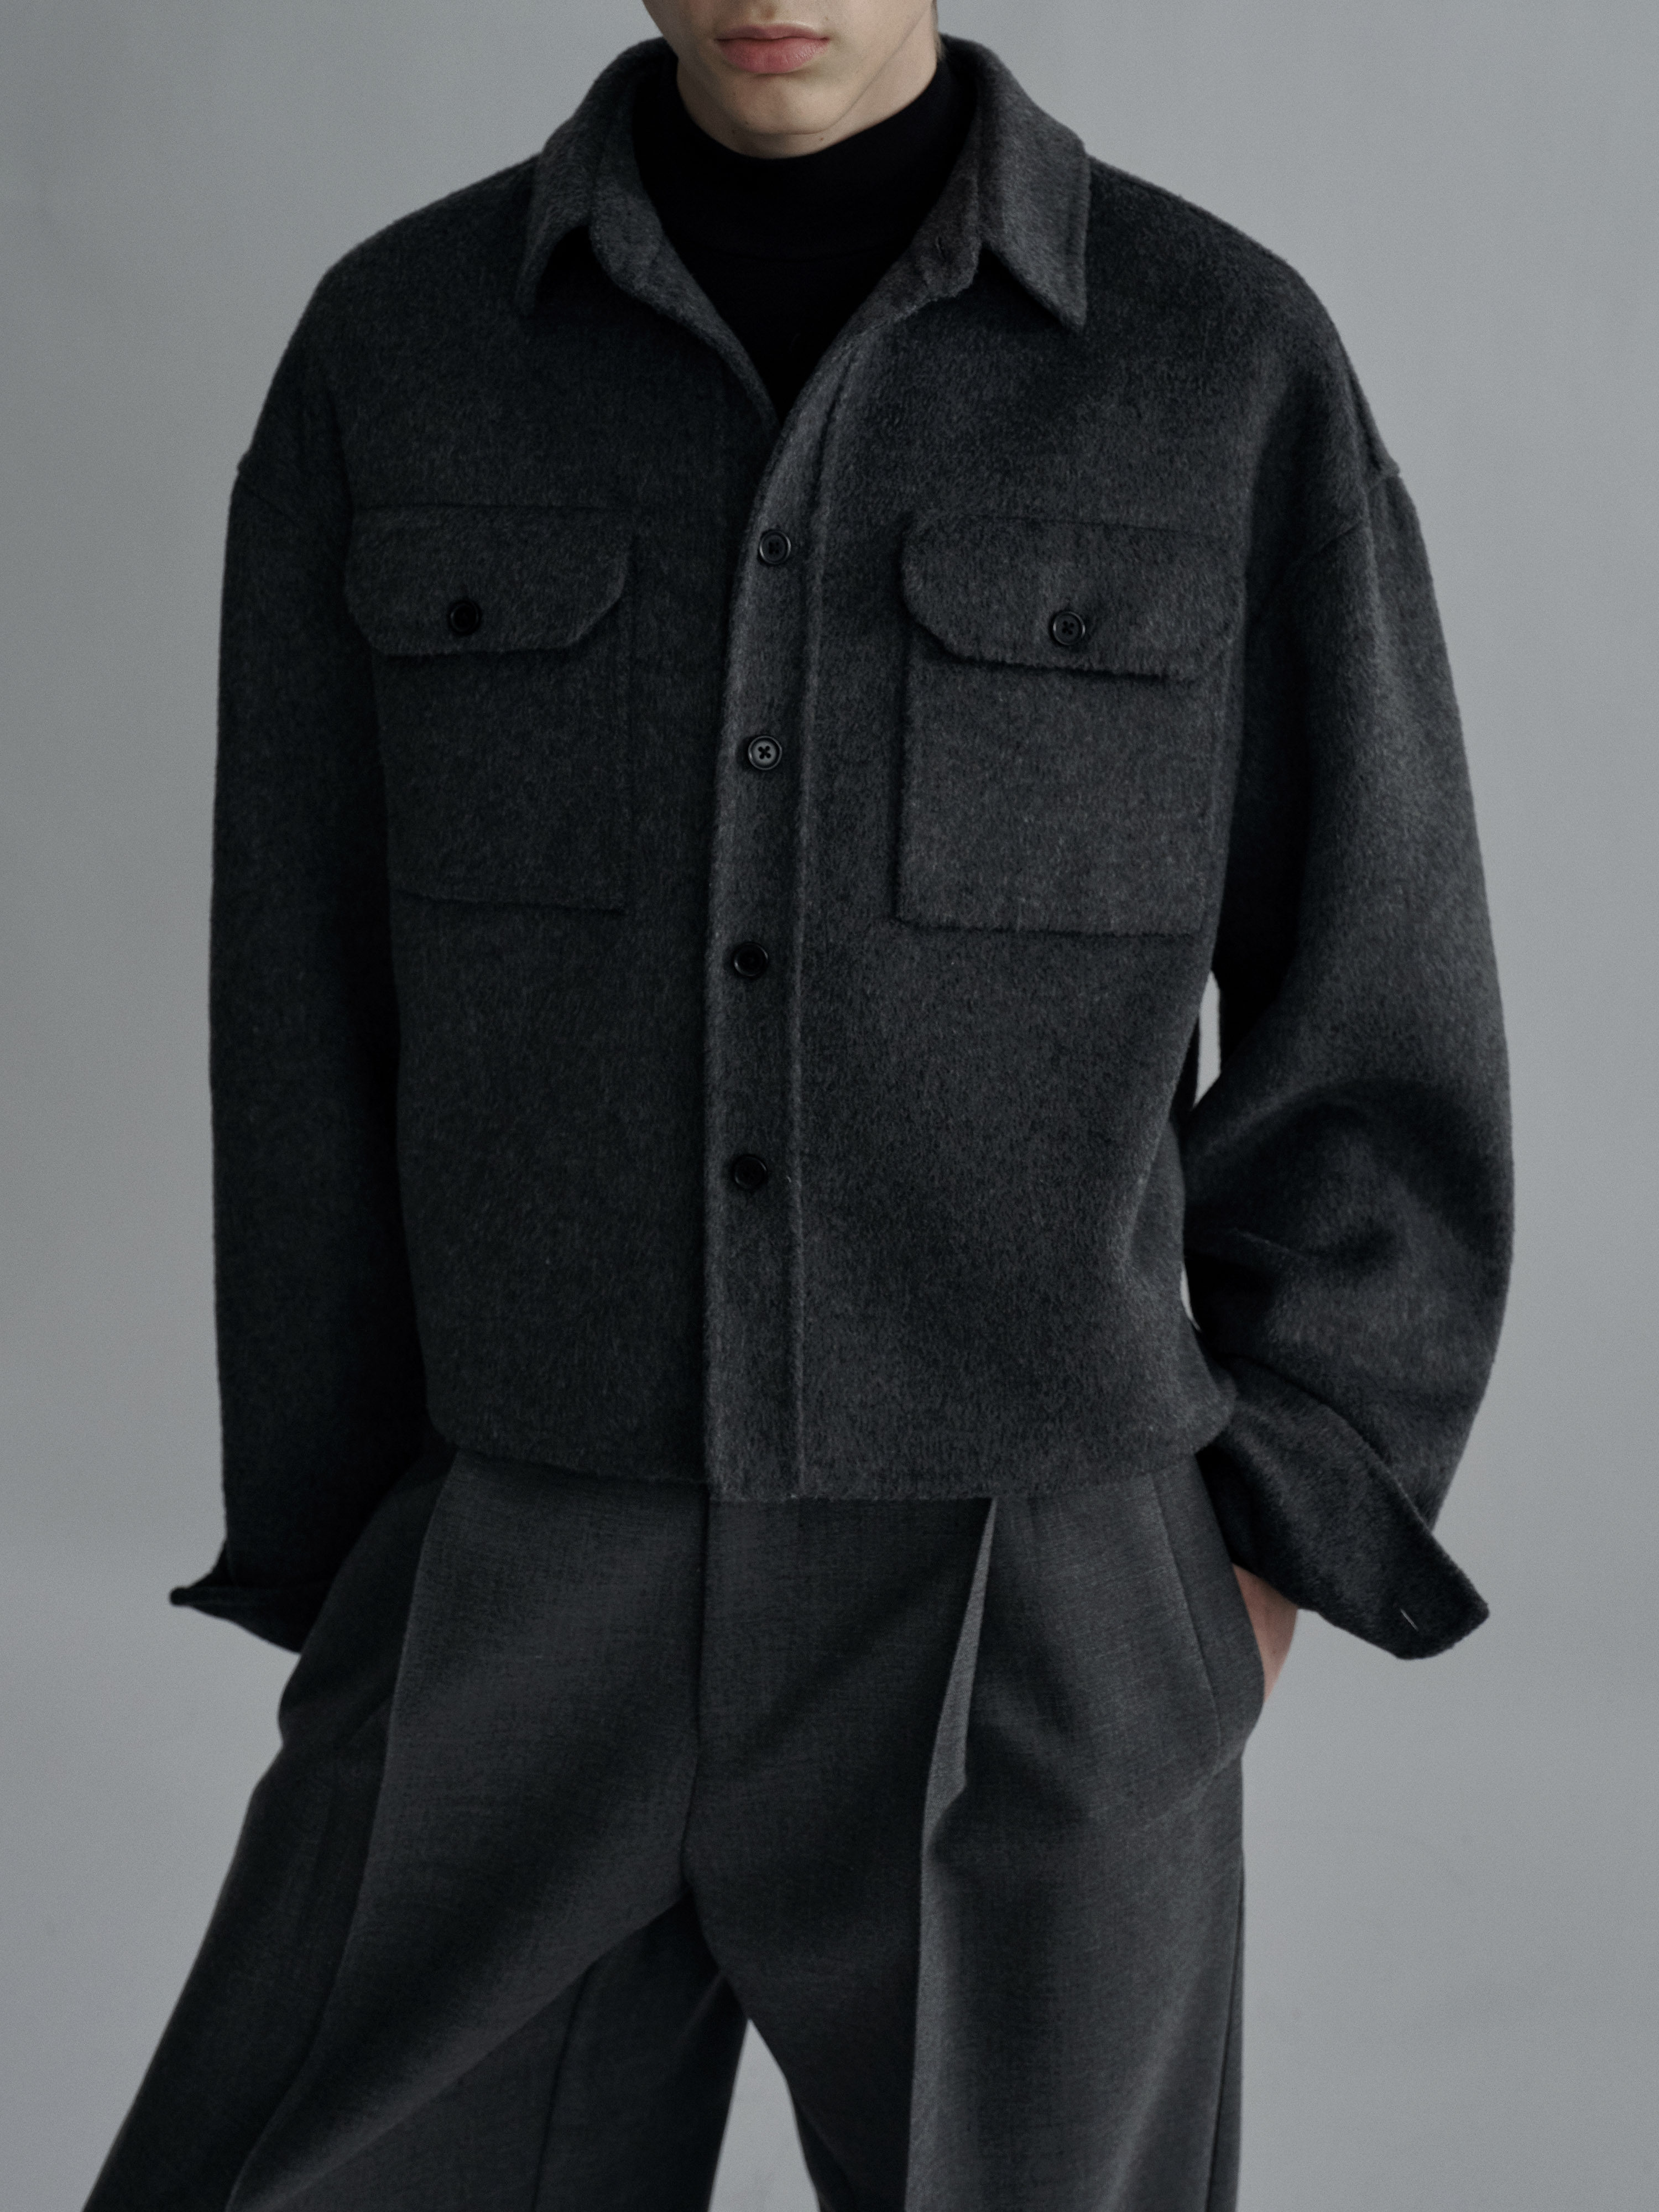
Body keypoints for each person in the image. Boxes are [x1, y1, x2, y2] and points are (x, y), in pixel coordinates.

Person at [86, 4, 1510, 2208]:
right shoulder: (403, 346)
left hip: (1031, 1597)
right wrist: (360, 1551)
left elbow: (1376, 977)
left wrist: (1243, 1558)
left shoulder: (1219, 360)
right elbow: (302, 992)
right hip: (512, 1559)